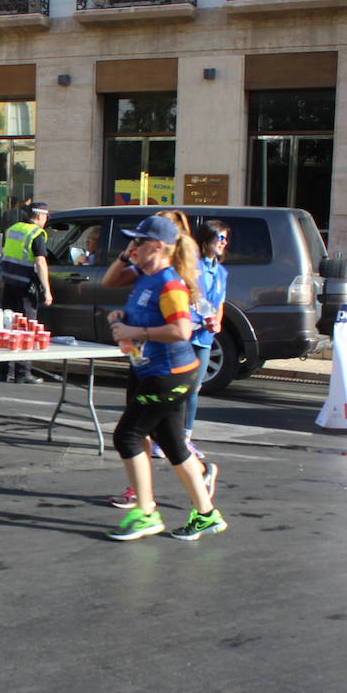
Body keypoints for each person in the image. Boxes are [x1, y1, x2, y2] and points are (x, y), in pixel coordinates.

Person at [102, 214, 226, 542]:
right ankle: (206, 514)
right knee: (172, 444)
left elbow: (181, 329)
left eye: (138, 242)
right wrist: (123, 317)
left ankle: (145, 512)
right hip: (159, 371)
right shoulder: (145, 276)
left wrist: (134, 330)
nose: (133, 248)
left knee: (126, 437)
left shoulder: (170, 283)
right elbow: (146, 310)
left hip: (168, 375)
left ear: (157, 247)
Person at [183, 219, 230, 460]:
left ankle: (185, 438)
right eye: (219, 237)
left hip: (203, 337)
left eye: (225, 238)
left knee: (193, 389)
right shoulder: (192, 266)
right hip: (184, 334)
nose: (224, 242)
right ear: (206, 239)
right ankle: (162, 437)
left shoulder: (221, 271)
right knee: (177, 387)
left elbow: (219, 304)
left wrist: (217, 321)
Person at [0, 201, 53, 383]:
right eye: (46, 216)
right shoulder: (37, 234)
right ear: (39, 216)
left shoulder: (13, 229)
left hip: (8, 284)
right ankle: (23, 373)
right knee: (26, 329)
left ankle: (7, 371)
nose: (46, 220)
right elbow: (40, 263)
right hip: (25, 287)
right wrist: (47, 291)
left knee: (8, 327)